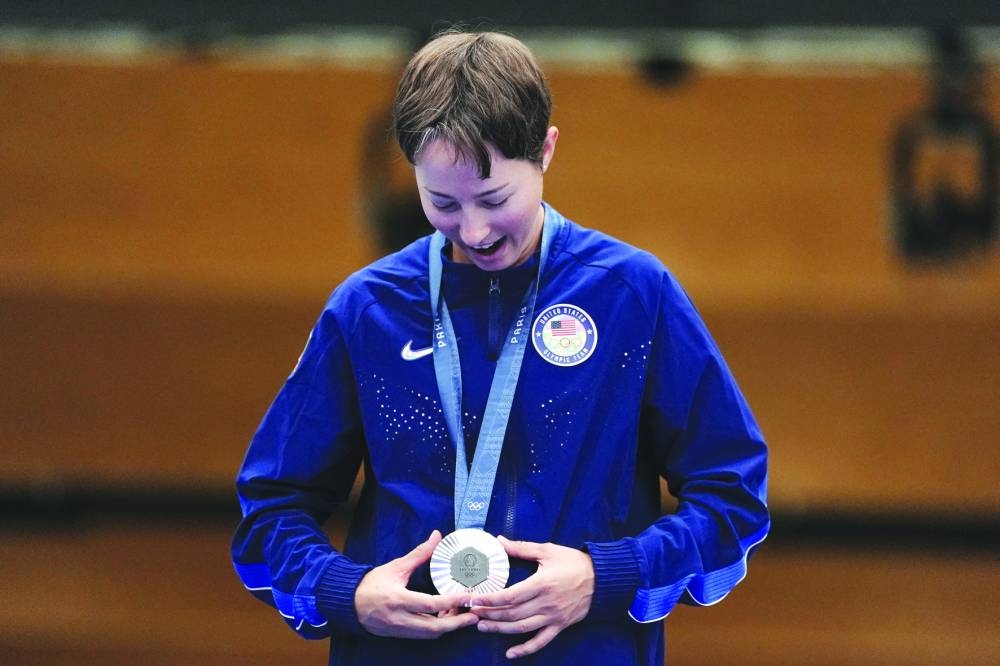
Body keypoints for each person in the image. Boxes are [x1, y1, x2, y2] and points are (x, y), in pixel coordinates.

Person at [232, 29, 769, 665]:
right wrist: (346, 591)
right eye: (442, 202)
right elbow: (270, 512)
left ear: (546, 151)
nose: (475, 230)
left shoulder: (631, 295)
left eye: (495, 198)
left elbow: (733, 499)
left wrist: (607, 575)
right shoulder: (369, 310)